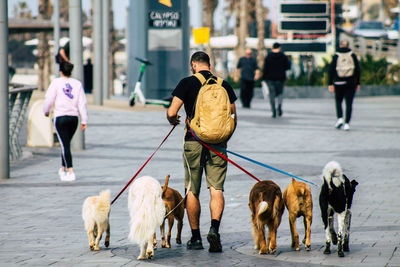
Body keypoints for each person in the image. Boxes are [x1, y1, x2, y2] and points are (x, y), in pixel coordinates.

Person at [167, 51, 237, 252]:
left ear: (193, 65)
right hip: (219, 144)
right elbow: (233, 116)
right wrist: (222, 139)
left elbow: (172, 111)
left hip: (194, 141)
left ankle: (196, 238)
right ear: (210, 64)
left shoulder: (187, 83)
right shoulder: (224, 84)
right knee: (216, 189)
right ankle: (214, 229)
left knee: (192, 189)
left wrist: (172, 119)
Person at [43, 61, 88, 181]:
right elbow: (82, 103)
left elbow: (49, 99)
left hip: (61, 117)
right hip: (74, 118)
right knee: (65, 143)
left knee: (65, 145)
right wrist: (84, 120)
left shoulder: (56, 82)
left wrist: (46, 111)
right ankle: (63, 169)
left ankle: (71, 171)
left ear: (60, 71)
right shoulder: (77, 84)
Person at [328, 40, 360, 131]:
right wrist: (358, 83)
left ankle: (340, 119)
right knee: (349, 103)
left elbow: (331, 70)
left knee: (338, 101)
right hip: (350, 82)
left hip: (338, 82)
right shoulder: (352, 55)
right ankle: (347, 123)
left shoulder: (336, 55)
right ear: (348, 45)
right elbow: (357, 69)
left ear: (340, 45)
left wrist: (330, 83)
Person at [262, 42, 291, 118]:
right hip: (280, 78)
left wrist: (263, 78)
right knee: (280, 93)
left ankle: (273, 110)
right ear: (279, 48)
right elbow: (288, 66)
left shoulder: (268, 56)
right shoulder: (283, 56)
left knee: (272, 95)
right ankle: (280, 106)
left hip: (270, 79)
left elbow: (265, 69)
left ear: (272, 48)